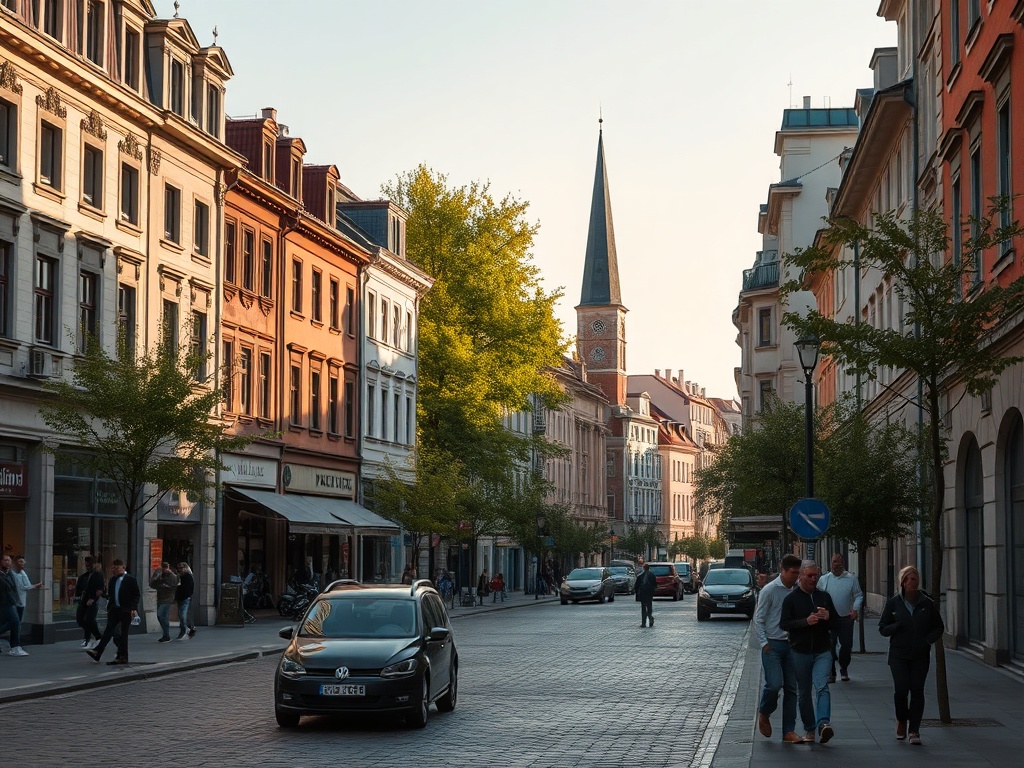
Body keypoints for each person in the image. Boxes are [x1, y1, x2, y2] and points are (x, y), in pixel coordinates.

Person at [878, 564, 944, 746]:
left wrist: (927, 640)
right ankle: (901, 720)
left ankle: (914, 730)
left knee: (917, 691)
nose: (912, 583)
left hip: (920, 655)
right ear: (903, 582)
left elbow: (939, 627)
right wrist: (895, 627)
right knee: (901, 690)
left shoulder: (927, 604)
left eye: (914, 579)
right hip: (898, 654)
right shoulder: (894, 603)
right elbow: (882, 628)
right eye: (908, 580)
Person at [780, 560, 839, 744]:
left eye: (816, 575)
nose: (814, 579)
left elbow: (836, 622)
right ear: (801, 576)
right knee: (804, 693)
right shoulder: (791, 599)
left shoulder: (824, 597)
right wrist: (805, 621)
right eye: (810, 576)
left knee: (822, 686)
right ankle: (810, 728)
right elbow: (784, 624)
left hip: (822, 650)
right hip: (799, 651)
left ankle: (823, 724)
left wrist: (829, 617)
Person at [753, 554, 802, 743]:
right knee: (774, 684)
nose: (795, 577)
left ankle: (788, 730)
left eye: (798, 573)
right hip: (772, 644)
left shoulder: (798, 591)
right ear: (783, 570)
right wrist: (764, 643)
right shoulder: (770, 590)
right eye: (793, 573)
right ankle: (764, 711)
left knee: (791, 688)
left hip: (792, 645)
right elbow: (759, 618)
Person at [818, 552, 864, 682]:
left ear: (843, 564)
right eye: (833, 562)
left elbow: (859, 595)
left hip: (846, 618)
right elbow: (818, 596)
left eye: (838, 562)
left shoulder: (851, 579)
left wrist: (855, 609)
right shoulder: (824, 579)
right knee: (830, 646)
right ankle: (831, 672)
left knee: (846, 646)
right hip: (830, 619)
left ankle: (844, 667)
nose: (835, 565)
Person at [86, 559, 140, 665]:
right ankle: (97, 652)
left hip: (125, 610)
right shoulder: (112, 579)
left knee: (123, 634)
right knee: (108, 631)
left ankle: (123, 657)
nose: (114, 570)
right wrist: (103, 595)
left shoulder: (130, 579)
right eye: (113, 568)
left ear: (123, 568)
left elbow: (136, 595)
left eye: (117, 568)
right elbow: (111, 595)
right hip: (114, 609)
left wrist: (133, 608)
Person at [0, 554, 28, 656]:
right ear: (1, 562)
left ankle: (15, 647)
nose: (8, 562)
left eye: (9, 561)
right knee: (15, 622)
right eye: (6, 560)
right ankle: (15, 647)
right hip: (4, 603)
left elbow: (15, 588)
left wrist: (17, 600)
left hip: (11, 602)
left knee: (10, 623)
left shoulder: (10, 574)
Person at [75, 556, 105, 648]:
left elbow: (100, 589)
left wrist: (92, 599)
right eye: (86, 564)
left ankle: (91, 638)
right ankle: (95, 637)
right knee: (80, 619)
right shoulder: (84, 576)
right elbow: (78, 588)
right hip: (83, 601)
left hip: (92, 601)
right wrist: (77, 597)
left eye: (90, 564)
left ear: (95, 564)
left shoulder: (98, 575)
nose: (88, 566)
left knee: (90, 620)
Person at [150, 561, 179, 643]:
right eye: (163, 567)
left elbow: (173, 585)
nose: (164, 569)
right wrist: (156, 577)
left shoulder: (173, 576)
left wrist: (163, 585)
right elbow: (152, 584)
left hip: (168, 599)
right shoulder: (160, 575)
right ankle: (166, 634)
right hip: (160, 598)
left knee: (161, 615)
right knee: (160, 617)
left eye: (166, 567)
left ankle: (167, 635)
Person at [11, 555, 44, 622]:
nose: (22, 563)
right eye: (20, 561)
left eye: (23, 561)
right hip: (13, 602)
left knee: (17, 622)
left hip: (21, 601)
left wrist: (34, 586)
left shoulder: (23, 573)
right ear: (15, 563)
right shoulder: (13, 573)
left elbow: (27, 585)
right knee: (14, 622)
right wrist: (35, 586)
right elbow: (22, 586)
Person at [175, 562, 196, 640]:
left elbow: (189, 588)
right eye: (179, 568)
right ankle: (186, 629)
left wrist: (186, 596)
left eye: (181, 568)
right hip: (181, 598)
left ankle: (186, 630)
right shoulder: (179, 577)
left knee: (182, 615)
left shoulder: (187, 576)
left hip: (185, 598)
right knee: (182, 615)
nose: (179, 569)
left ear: (185, 568)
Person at [635, 563, 657, 628]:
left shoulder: (641, 576)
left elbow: (636, 586)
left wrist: (637, 593)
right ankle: (648, 620)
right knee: (648, 607)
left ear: (644, 568)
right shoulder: (651, 575)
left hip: (645, 593)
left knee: (644, 608)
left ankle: (645, 622)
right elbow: (655, 585)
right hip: (647, 593)